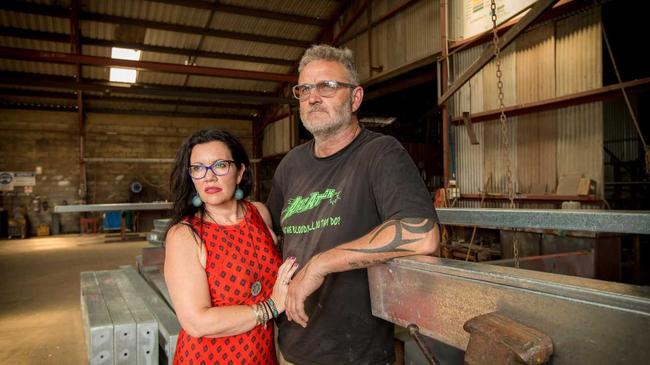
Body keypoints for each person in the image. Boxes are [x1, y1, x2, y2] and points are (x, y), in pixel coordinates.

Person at [267, 45, 440, 365]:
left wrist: (320, 264)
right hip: (290, 346)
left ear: (355, 98)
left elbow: (422, 234)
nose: (313, 97)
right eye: (304, 89)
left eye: (327, 86)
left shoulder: (380, 154)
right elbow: (270, 232)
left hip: (356, 354)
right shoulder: (291, 165)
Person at [164, 128, 299, 365]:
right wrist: (271, 306)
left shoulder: (259, 214)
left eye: (220, 165)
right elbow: (197, 322)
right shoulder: (185, 236)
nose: (209, 177)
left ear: (239, 173)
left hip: (261, 355)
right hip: (209, 358)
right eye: (198, 168)